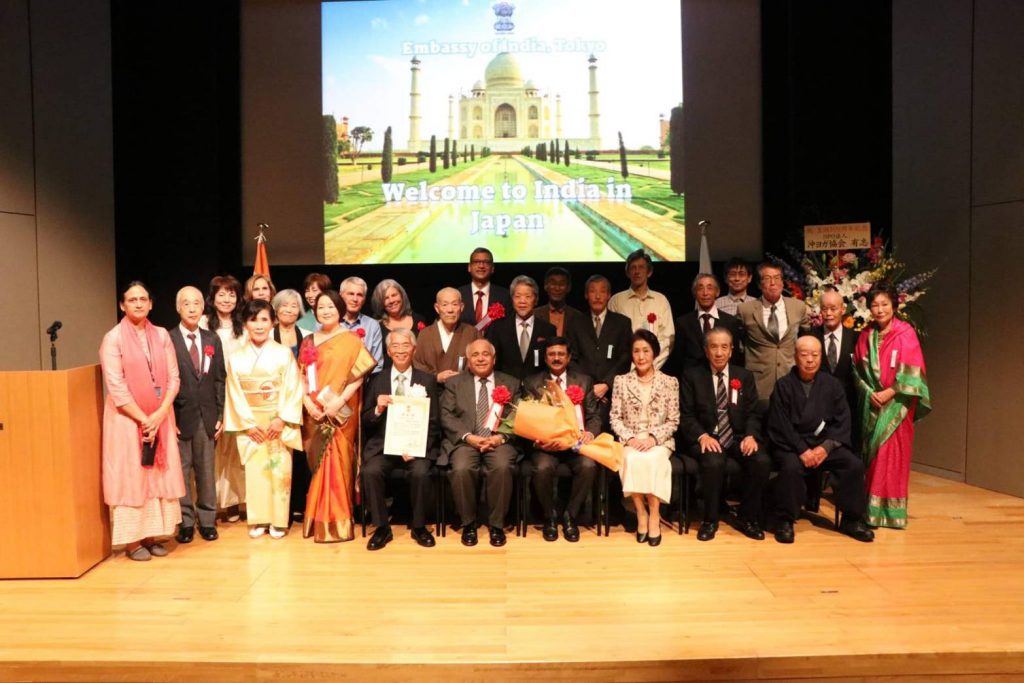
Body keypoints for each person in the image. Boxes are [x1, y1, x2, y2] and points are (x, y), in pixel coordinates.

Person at [100, 281, 185, 561]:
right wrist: (143, 418)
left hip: (159, 417)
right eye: (132, 299)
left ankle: (152, 536)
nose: (138, 303)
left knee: (156, 478)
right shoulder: (113, 339)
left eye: (143, 299)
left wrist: (159, 414)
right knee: (133, 478)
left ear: (150, 303)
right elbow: (116, 385)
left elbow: (173, 377)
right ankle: (133, 542)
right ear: (122, 305)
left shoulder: (161, 335)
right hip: (127, 421)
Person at [766, 336, 875, 544]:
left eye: (815, 355)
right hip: (792, 446)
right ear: (795, 356)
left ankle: (852, 520)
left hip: (825, 444)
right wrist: (802, 450)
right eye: (804, 354)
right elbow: (780, 425)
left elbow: (842, 421)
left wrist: (825, 448)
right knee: (790, 467)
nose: (810, 359)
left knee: (852, 464)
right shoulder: (783, 385)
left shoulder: (833, 385)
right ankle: (785, 520)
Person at [298, 290, 377, 542]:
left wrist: (339, 401)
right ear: (315, 311)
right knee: (319, 464)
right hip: (314, 411)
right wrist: (307, 404)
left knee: (338, 462)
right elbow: (300, 376)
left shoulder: (351, 339)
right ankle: (317, 518)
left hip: (341, 411)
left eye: (331, 307)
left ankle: (338, 522)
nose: (326, 311)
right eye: (321, 307)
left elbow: (360, 375)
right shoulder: (308, 340)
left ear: (340, 309)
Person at [223, 300, 304, 539]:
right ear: (245, 323)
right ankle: (258, 518)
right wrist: (247, 425)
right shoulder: (236, 357)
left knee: (279, 470)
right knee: (256, 471)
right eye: (253, 320)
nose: (258, 325)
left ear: (273, 323)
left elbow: (293, 387)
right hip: (252, 421)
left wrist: (281, 419)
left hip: (276, 419)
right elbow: (234, 392)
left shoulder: (283, 353)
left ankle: (279, 520)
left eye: (264, 320)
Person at [679, 328, 768, 542]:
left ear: (731, 351)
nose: (719, 352)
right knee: (713, 462)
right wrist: (702, 436)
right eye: (714, 347)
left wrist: (750, 435)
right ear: (706, 350)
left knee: (762, 461)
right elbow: (686, 415)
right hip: (708, 436)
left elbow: (754, 412)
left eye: (724, 347)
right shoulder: (693, 375)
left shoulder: (743, 376)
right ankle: (710, 520)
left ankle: (748, 518)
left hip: (737, 437)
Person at [854, 284, 931, 529]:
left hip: (898, 405)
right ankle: (870, 511)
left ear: (894, 306)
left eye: (884, 304)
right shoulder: (866, 335)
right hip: (872, 404)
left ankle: (891, 513)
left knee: (892, 456)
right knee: (874, 458)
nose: (879, 310)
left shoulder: (906, 333)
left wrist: (889, 392)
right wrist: (869, 392)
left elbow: (914, 373)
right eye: (875, 305)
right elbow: (856, 370)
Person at [361, 329, 440, 550]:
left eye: (405, 345)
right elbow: (366, 420)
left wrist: (417, 447)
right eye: (395, 346)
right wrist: (377, 408)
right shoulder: (377, 380)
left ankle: (419, 526)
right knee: (371, 471)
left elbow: (434, 422)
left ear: (414, 349)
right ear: (388, 351)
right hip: (384, 447)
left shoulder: (427, 380)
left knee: (421, 471)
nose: (401, 350)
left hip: (415, 448)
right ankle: (382, 528)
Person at [440, 339, 520, 547]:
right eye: (475, 355)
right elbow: (446, 415)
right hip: (466, 441)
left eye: (485, 354)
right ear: (468, 361)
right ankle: (468, 524)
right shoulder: (454, 384)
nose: (481, 358)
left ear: (494, 359)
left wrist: (501, 437)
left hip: (499, 440)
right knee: (461, 468)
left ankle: (497, 525)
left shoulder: (511, 382)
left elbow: (518, 415)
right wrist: (468, 437)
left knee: (502, 467)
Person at [521, 337, 599, 542]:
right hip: (547, 446)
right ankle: (550, 516)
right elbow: (527, 420)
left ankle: (570, 516)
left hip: (577, 445)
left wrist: (590, 433)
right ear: (545, 358)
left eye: (561, 354)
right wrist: (538, 440)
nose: (556, 358)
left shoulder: (584, 381)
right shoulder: (532, 383)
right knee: (543, 468)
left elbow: (594, 415)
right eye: (551, 355)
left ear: (569, 357)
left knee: (589, 466)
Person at [609, 330, 680, 546]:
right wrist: (630, 439)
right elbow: (615, 417)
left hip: (658, 440)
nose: (641, 356)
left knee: (653, 459)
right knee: (631, 459)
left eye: (646, 351)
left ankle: (655, 514)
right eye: (636, 351)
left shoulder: (670, 382)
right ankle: (641, 513)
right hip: (631, 438)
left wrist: (652, 438)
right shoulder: (621, 381)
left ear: (655, 354)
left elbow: (673, 420)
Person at [169, 286, 225, 544]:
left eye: (196, 303)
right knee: (181, 471)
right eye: (186, 304)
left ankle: (207, 520)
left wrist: (220, 413)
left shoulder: (212, 339)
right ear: (178, 308)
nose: (192, 308)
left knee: (206, 471)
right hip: (179, 418)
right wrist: (168, 417)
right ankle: (185, 522)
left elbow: (219, 380)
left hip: (207, 415)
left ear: (203, 307)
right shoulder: (167, 339)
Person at [201, 275, 247, 521]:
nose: (227, 299)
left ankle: (234, 502)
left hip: (239, 393)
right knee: (213, 449)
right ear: (213, 297)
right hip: (211, 393)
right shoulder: (203, 323)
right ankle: (213, 502)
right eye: (222, 294)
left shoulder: (245, 324)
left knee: (236, 449)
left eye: (232, 294)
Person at [564, 275, 633, 430]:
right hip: (583, 392)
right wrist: (589, 386)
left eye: (602, 291)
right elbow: (571, 358)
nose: (597, 296)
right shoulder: (575, 323)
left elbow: (625, 357)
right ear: (586, 295)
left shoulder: (622, 323)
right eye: (592, 291)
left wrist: (607, 384)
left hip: (612, 394)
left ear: (609, 295)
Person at [736, 260, 809, 402]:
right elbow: (740, 341)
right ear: (759, 284)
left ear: (783, 282)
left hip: (791, 378)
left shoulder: (798, 306)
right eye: (767, 279)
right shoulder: (746, 310)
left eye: (777, 278)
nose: (773, 283)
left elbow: (806, 336)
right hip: (759, 381)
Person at [271, 288, 310, 522]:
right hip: (274, 404)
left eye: (294, 306)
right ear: (276, 309)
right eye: (284, 305)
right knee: (278, 455)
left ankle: (298, 504)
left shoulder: (306, 335)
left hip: (301, 401)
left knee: (300, 454)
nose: (289, 309)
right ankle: (277, 507)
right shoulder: (266, 334)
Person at [665, 273, 744, 376]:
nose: (705, 293)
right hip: (692, 380)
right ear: (695, 293)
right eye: (700, 288)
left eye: (710, 288)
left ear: (717, 292)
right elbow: (679, 359)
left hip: (721, 378)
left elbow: (735, 358)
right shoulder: (683, 322)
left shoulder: (730, 322)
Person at [608, 249, 674, 370]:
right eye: (633, 268)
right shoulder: (616, 301)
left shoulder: (661, 300)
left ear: (649, 272)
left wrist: (649, 365)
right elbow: (610, 340)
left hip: (654, 370)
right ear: (627, 273)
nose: (637, 271)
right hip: (623, 371)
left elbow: (667, 339)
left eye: (641, 267)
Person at [485, 275, 556, 380]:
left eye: (528, 296)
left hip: (538, 389)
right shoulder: (498, 328)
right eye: (517, 296)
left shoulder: (548, 330)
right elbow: (494, 363)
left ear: (536, 300)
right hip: (506, 388)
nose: (522, 301)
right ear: (512, 299)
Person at [812, 288, 858, 445]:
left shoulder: (855, 338)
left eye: (833, 308)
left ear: (843, 309)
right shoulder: (810, 336)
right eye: (824, 309)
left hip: (848, 409)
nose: (828, 313)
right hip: (817, 407)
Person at [413, 287, 481, 384]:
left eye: (455, 304)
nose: (450, 310)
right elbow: (417, 364)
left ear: (462, 307)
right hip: (432, 392)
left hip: (462, 390)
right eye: (444, 305)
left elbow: (480, 362)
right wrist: (436, 377)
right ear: (437, 308)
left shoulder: (472, 333)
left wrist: (461, 377)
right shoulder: (425, 334)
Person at [338, 276, 384, 373]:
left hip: (366, 383)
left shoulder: (372, 325)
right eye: (351, 294)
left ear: (364, 299)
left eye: (360, 295)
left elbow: (377, 365)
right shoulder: (329, 323)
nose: (355, 299)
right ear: (341, 295)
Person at [458, 247, 512, 326]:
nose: (481, 266)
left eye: (486, 262)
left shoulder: (505, 296)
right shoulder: (458, 294)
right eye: (476, 262)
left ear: (492, 268)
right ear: (469, 267)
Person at [534, 267, 585, 337]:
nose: (557, 288)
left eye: (561, 284)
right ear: (545, 286)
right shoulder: (535, 315)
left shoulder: (578, 317)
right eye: (553, 283)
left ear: (568, 287)